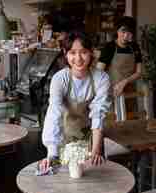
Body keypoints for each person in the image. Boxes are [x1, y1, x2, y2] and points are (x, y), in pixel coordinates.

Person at [39, 32, 111, 172]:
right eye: (72, 52)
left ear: (91, 53)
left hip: (89, 139)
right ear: (65, 54)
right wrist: (52, 154)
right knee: (62, 179)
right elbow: (54, 114)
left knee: (90, 179)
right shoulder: (59, 79)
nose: (78, 58)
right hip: (62, 138)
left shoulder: (101, 78)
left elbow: (98, 115)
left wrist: (95, 150)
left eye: (83, 52)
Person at [97, 16, 142, 120]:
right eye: (123, 31)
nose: (126, 35)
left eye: (129, 32)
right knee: (114, 123)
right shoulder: (109, 47)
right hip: (112, 92)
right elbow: (99, 73)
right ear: (117, 31)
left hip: (130, 92)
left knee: (131, 122)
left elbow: (139, 72)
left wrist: (124, 82)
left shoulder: (135, 47)